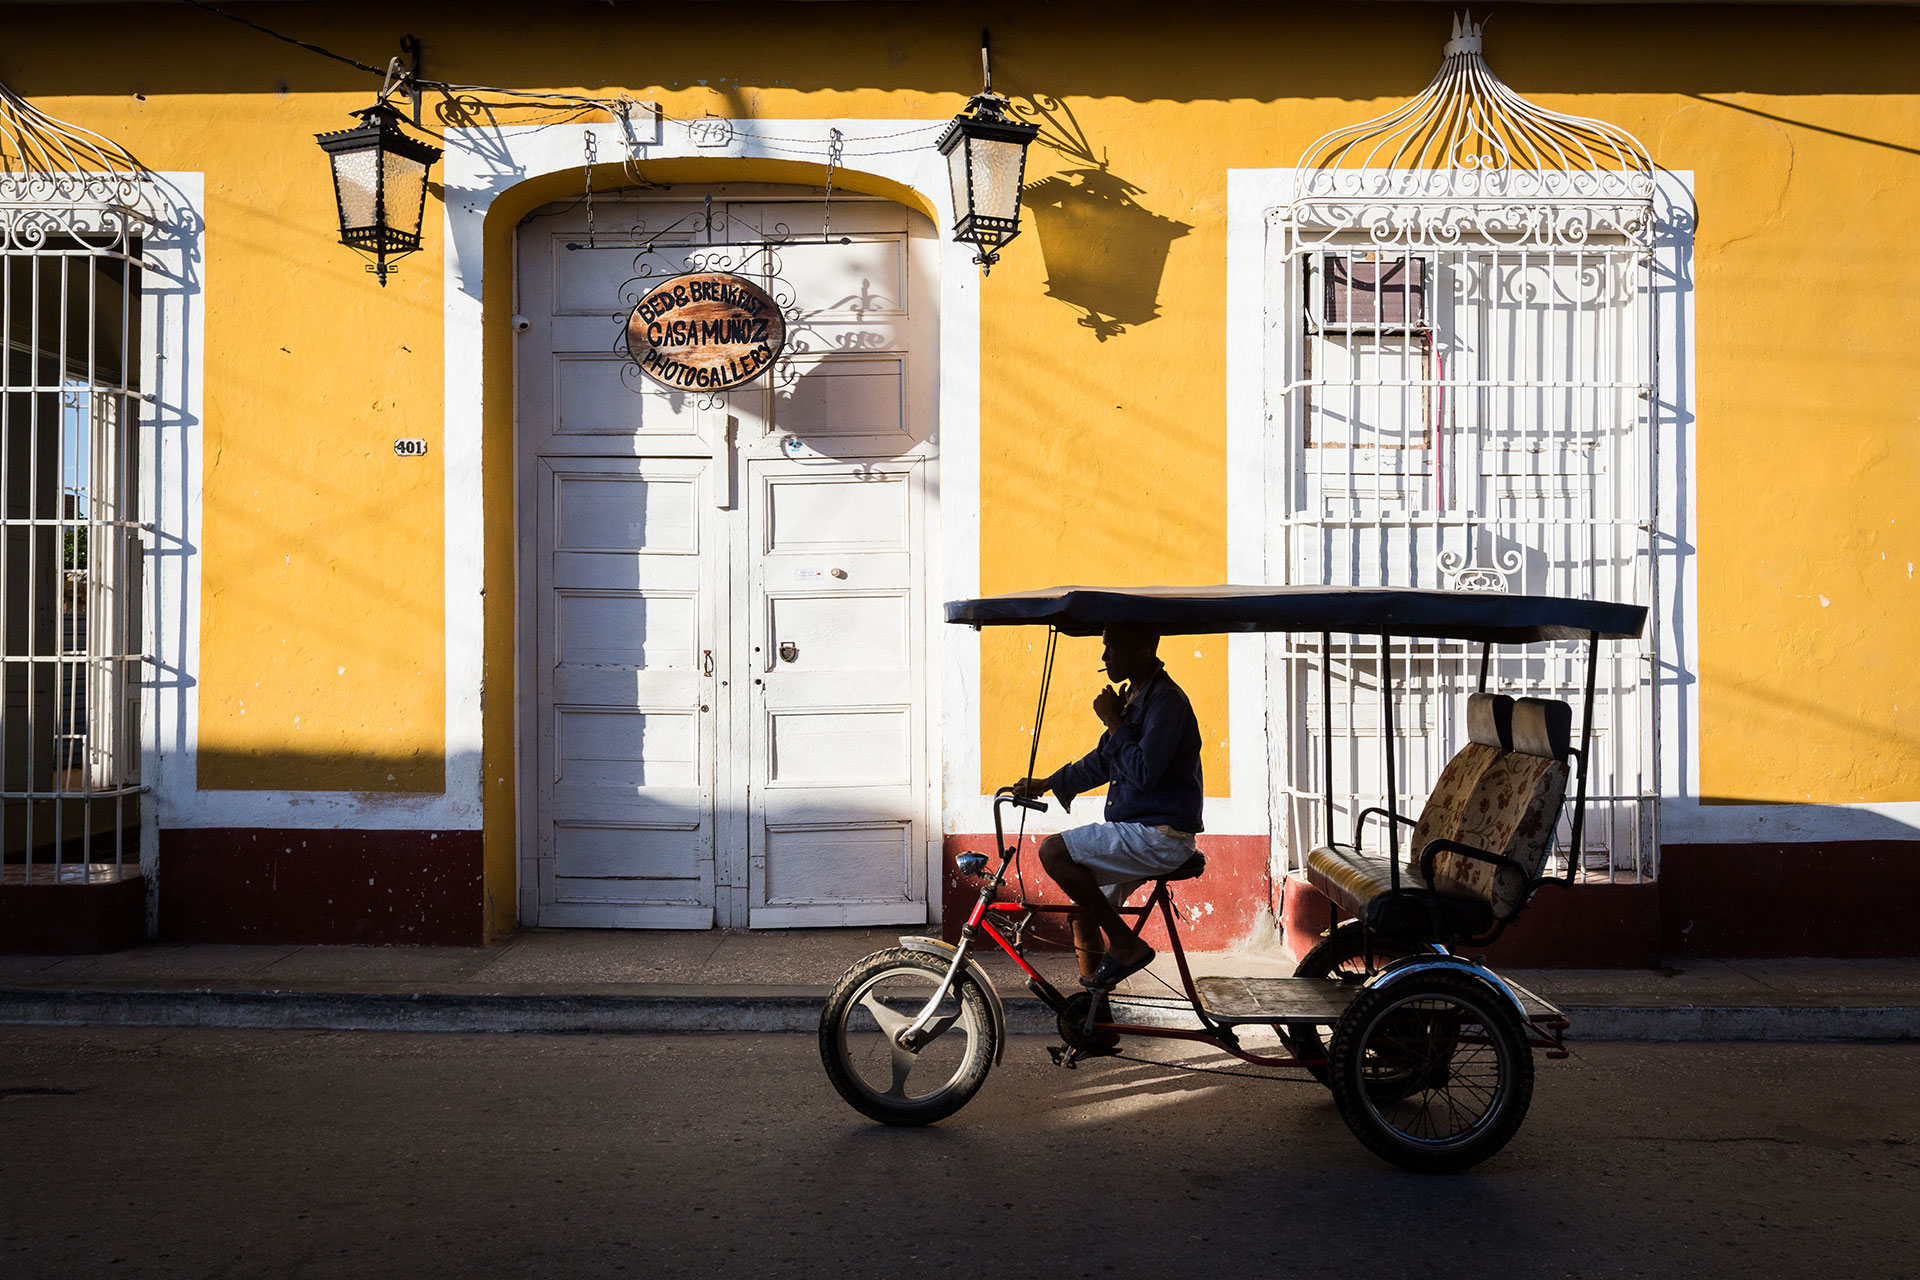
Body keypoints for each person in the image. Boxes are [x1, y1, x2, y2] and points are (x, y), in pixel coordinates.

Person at [1011, 626, 1204, 990]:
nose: (1104, 658)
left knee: (1053, 851)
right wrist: (1047, 783)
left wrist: (1114, 721)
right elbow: (1104, 759)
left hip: (1161, 834)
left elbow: (1144, 772)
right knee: (1081, 916)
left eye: (1111, 648)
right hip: (1141, 831)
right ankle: (1095, 1022)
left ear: (1143, 646)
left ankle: (1125, 943)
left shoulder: (1165, 701)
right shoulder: (1137, 695)